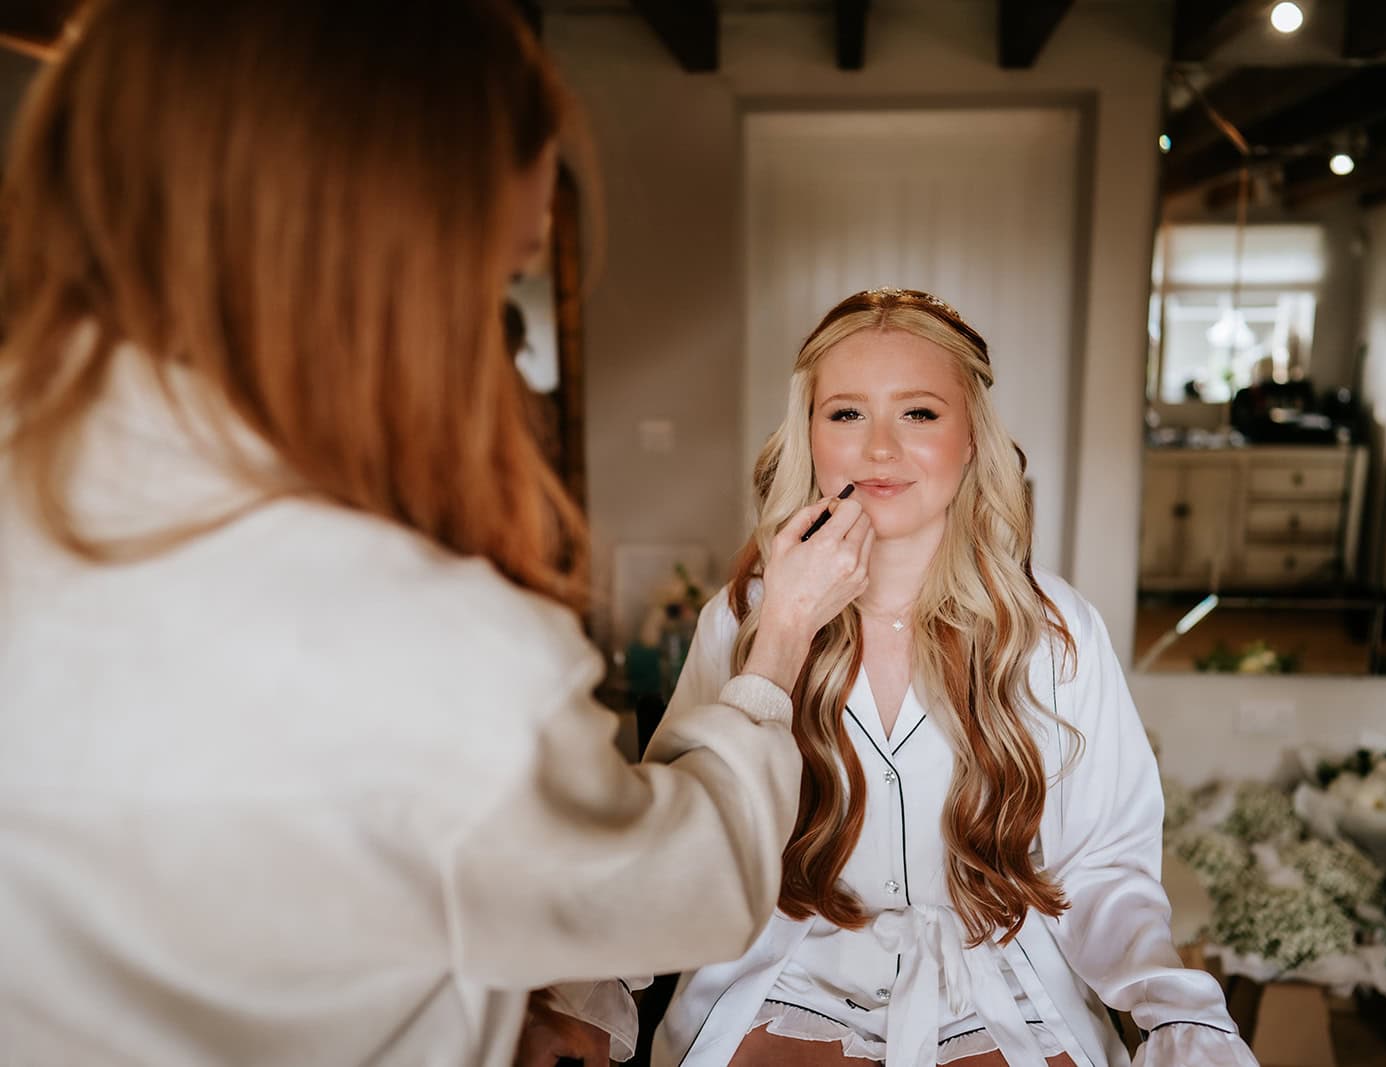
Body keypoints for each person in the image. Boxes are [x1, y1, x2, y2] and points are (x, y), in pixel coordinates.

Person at [0, 2, 874, 1064]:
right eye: (495, 272)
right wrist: (775, 645)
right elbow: (681, 883)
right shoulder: (431, 650)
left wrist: (488, 994)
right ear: (374, 261)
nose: (489, 338)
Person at [562, 289, 1259, 1066]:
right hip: (786, 969)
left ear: (971, 440)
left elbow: (1105, 867)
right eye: (847, 413)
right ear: (812, 437)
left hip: (1001, 976)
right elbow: (684, 834)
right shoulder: (746, 618)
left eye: (919, 413)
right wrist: (598, 985)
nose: (879, 449)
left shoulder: (1057, 630)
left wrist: (1176, 1010)